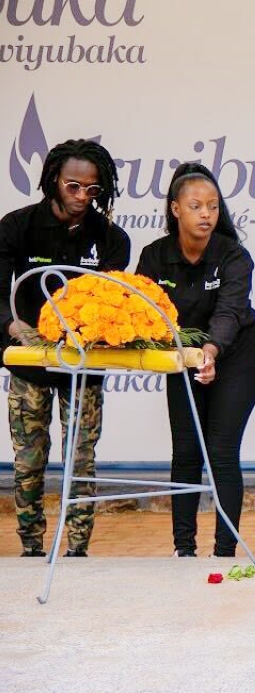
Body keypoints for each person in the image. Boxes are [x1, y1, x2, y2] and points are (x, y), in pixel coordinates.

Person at [0, 139, 130, 558]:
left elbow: (111, 303)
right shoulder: (17, 226)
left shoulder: (112, 238)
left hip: (83, 366)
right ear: (54, 179)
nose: (82, 197)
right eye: (73, 186)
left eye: (93, 190)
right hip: (30, 363)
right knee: (28, 464)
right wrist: (12, 325)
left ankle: (77, 553)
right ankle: (31, 550)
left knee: (81, 462)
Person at [135, 163, 255, 557]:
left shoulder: (234, 256)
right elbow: (146, 313)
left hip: (238, 356)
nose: (206, 214)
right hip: (183, 358)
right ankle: (183, 549)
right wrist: (186, 355)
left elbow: (229, 312)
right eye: (196, 206)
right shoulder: (154, 257)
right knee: (186, 450)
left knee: (221, 449)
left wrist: (210, 352)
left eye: (212, 205)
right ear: (176, 209)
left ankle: (225, 550)